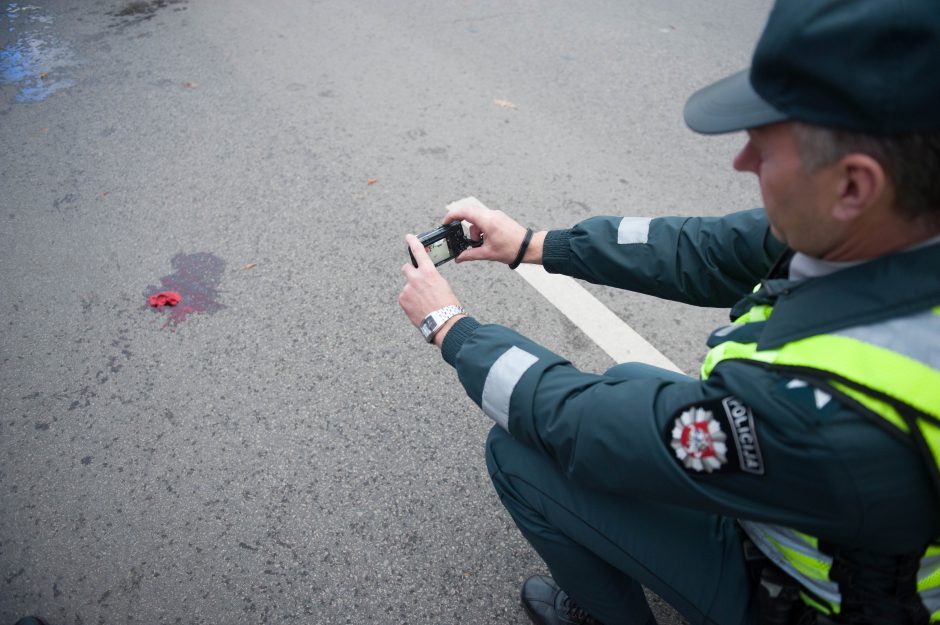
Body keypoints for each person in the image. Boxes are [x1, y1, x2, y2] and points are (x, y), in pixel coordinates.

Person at [399, 0, 940, 623]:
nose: (742, 162)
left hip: (813, 601)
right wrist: (531, 245)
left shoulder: (824, 409)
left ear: (853, 184)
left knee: (520, 451)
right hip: (843, 525)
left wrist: (453, 331)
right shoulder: (893, 226)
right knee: (633, 381)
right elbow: (703, 249)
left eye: (764, 148)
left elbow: (584, 427)